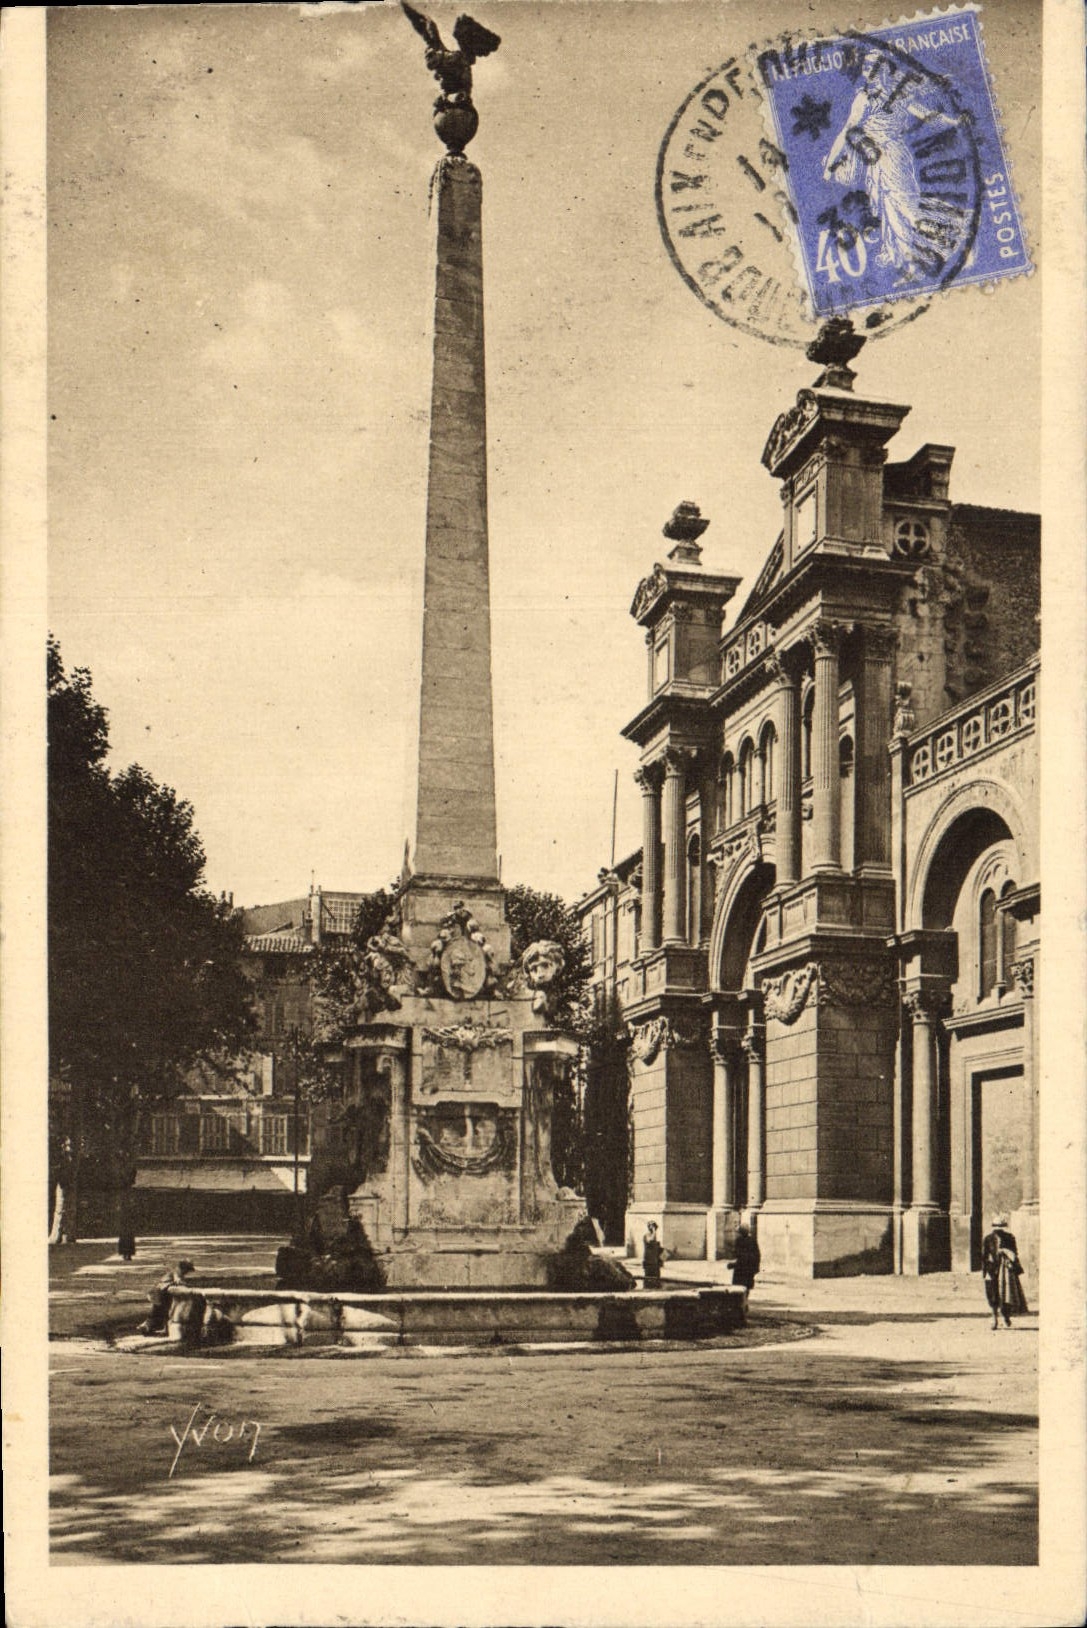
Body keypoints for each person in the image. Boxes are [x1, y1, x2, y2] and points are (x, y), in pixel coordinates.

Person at [981, 1216, 1027, 1328]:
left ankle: (1006, 1316)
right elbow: (984, 1255)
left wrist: (1008, 1256)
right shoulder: (988, 1239)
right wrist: (986, 1270)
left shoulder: (1010, 1238)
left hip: (1006, 1270)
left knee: (1006, 1293)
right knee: (992, 1293)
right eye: (997, 1228)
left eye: (1000, 1228)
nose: (998, 1230)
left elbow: (1014, 1253)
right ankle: (994, 1318)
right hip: (992, 1269)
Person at [138, 1258, 195, 1336]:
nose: (187, 1272)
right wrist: (188, 1286)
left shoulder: (175, 1272)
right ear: (183, 1268)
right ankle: (148, 1327)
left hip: (162, 1293)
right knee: (162, 1311)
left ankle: (148, 1327)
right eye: (187, 1269)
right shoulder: (177, 1272)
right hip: (160, 1294)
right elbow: (178, 1281)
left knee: (158, 1311)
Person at [731, 1222, 761, 1302]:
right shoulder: (752, 1240)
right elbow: (757, 1255)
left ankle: (740, 1302)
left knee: (738, 1287)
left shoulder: (739, 1240)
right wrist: (756, 1268)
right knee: (747, 1287)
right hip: (749, 1268)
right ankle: (744, 1301)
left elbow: (736, 1254)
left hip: (740, 1268)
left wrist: (733, 1264)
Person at [642, 1222, 664, 1289]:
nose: (654, 1229)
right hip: (649, 1260)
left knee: (656, 1278)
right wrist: (654, 1231)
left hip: (655, 1261)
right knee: (649, 1277)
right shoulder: (646, 1235)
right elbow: (651, 1240)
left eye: (655, 1227)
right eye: (653, 1227)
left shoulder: (653, 1235)